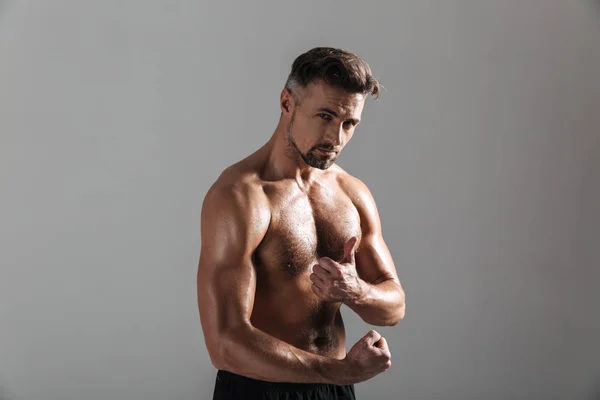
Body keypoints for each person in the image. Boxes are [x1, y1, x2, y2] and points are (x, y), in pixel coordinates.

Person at [197, 46, 406, 400]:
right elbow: (225, 343)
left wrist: (355, 291)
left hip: (335, 387)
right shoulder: (241, 196)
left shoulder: (352, 193)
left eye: (349, 123)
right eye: (324, 116)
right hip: (259, 389)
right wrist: (341, 370)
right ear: (287, 103)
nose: (336, 138)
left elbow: (394, 307)